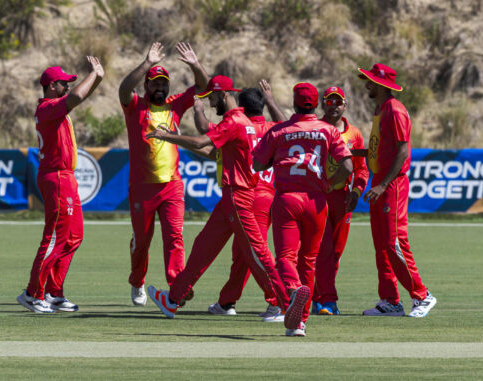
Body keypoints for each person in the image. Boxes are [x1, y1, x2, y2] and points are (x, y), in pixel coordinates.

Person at [145, 75, 308, 332]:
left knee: (257, 253)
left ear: (223, 95)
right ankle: (173, 299)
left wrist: (167, 137)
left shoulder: (234, 122)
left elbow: (201, 141)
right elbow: (212, 150)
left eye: (212, 98)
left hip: (240, 195)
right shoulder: (246, 123)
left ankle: (287, 307)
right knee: (203, 247)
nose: (211, 104)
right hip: (234, 195)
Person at [253, 82, 353, 336]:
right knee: (309, 260)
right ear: (316, 104)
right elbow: (348, 166)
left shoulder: (279, 131)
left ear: (295, 103)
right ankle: (300, 323)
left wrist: (276, 158)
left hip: (287, 198)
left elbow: (257, 163)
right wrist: (330, 184)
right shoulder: (328, 130)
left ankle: (294, 289)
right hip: (317, 200)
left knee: (286, 257)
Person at [119, 42, 209, 306]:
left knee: (175, 237)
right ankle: (137, 281)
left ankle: (176, 286)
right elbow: (124, 88)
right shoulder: (135, 106)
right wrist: (147, 63)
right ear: (146, 86)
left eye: (163, 83)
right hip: (142, 186)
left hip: (171, 185)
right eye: (154, 83)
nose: (160, 88)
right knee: (142, 243)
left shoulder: (175, 106)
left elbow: (204, 87)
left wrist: (195, 65)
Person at [17, 57, 104, 313]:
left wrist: (97, 77)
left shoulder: (55, 107)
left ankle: (54, 292)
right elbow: (76, 97)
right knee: (55, 237)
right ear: (52, 86)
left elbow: (79, 96)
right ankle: (33, 294)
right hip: (55, 177)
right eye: (63, 83)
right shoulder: (47, 107)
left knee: (74, 236)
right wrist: (93, 74)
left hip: (65, 177)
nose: (67, 86)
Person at [356, 63, 437, 318]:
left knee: (394, 242)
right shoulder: (380, 108)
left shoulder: (395, 110)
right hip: (380, 180)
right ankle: (390, 300)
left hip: (392, 184)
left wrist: (382, 184)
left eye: (369, 81)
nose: (366, 84)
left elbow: (403, 150)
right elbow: (382, 148)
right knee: (381, 244)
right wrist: (354, 153)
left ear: (381, 85)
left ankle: (422, 295)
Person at [206, 83, 282, 318]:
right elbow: (284, 125)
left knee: (254, 253)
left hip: (249, 194)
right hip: (267, 195)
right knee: (243, 253)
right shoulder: (272, 128)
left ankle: (277, 301)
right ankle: (227, 301)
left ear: (241, 107)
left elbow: (207, 137)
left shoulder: (242, 125)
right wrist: (270, 100)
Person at [311, 86, 369, 315]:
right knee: (322, 251)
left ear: (345, 105)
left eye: (338, 102)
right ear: (323, 104)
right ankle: (328, 301)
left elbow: (361, 169)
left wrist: (356, 193)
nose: (333, 106)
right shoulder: (316, 129)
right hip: (319, 196)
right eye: (329, 101)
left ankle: (318, 297)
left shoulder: (353, 133)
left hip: (342, 198)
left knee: (335, 253)